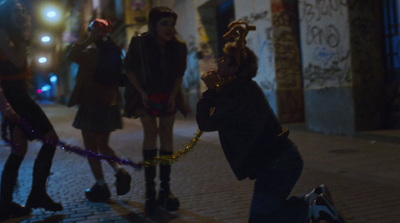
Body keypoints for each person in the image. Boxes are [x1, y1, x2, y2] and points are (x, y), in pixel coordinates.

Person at [196, 22, 345, 223]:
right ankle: (312, 201)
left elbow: (206, 123)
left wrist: (211, 92)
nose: (219, 62)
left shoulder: (237, 93)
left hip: (277, 164)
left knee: (261, 219)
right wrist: (216, 92)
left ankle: (312, 207)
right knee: (265, 215)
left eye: (224, 59)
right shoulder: (243, 88)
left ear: (234, 68)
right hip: (278, 161)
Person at [0, 0, 63, 220]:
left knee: (19, 150)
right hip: (15, 99)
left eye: (22, 11)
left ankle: (5, 204)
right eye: (15, 12)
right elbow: (16, 63)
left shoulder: (13, 35)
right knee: (51, 139)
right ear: (6, 14)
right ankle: (37, 194)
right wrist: (5, 106)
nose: (20, 14)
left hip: (18, 96)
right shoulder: (3, 32)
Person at [124, 6, 188, 215]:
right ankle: (150, 193)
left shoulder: (178, 47)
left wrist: (173, 95)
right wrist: (141, 92)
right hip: (144, 93)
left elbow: (179, 74)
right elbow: (129, 69)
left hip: (168, 93)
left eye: (172, 24)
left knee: (167, 134)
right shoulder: (140, 43)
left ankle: (165, 189)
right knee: (150, 133)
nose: (169, 29)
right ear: (153, 25)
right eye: (164, 24)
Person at [66, 19, 131, 202]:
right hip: (110, 103)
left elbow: (71, 56)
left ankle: (101, 185)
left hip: (90, 103)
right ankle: (119, 171)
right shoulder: (115, 50)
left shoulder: (90, 52)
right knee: (103, 145)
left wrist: (88, 40)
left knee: (91, 148)